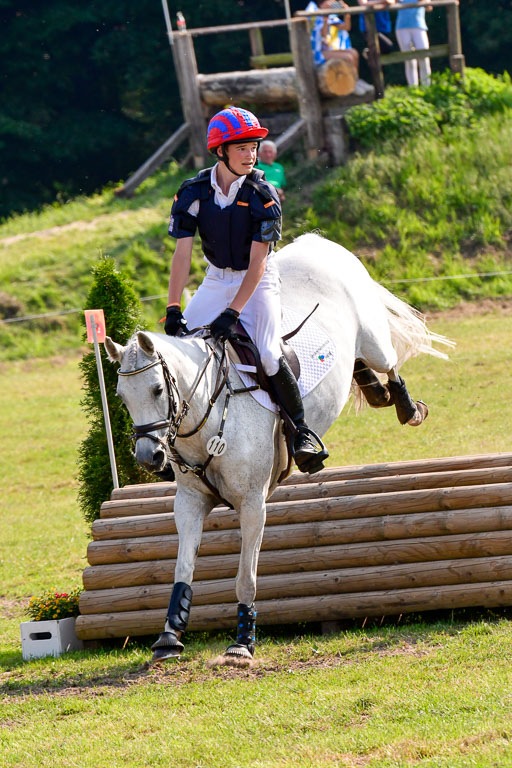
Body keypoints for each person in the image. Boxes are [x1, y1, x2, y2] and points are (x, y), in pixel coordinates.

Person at [165, 106, 328, 474]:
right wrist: (173, 307)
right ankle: (170, 439)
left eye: (254, 147)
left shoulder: (263, 195)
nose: (251, 154)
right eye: (242, 148)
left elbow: (258, 264)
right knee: (177, 347)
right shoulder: (192, 192)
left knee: (268, 354)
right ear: (220, 151)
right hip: (215, 279)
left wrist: (232, 313)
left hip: (258, 281)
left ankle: (301, 431)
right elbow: (182, 254)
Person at [305, 0, 373, 96]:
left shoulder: (329, 16)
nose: (332, 4)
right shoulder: (314, 14)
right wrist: (325, 17)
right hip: (318, 54)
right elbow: (323, 35)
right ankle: (352, 85)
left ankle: (356, 80)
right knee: (348, 57)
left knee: (353, 53)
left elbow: (346, 27)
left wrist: (346, 14)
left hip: (327, 50)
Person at [395, 0, 432, 86]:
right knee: (409, 60)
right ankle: (413, 88)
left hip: (419, 26)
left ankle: (427, 87)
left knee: (424, 57)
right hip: (402, 27)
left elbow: (429, 7)